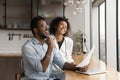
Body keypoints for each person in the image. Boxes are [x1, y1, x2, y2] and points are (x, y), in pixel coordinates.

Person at [22, 16, 88, 80]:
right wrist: (50, 46)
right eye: (43, 26)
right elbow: (42, 68)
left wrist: (78, 67)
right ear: (35, 30)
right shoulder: (28, 47)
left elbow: (62, 63)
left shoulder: (47, 44)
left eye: (46, 26)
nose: (46, 28)